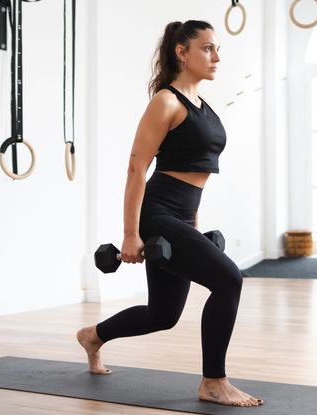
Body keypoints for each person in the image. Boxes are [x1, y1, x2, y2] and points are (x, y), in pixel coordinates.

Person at [77, 20, 264, 408]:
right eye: (208, 48)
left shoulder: (202, 105)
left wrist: (192, 225)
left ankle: (92, 335)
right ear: (182, 52)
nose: (216, 57)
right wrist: (131, 234)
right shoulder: (166, 101)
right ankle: (213, 381)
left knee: (162, 314)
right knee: (229, 279)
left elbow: (195, 174)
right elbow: (136, 169)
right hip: (157, 213)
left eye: (217, 50)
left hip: (182, 215)